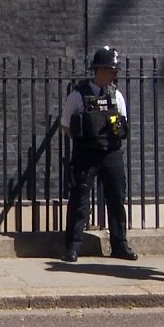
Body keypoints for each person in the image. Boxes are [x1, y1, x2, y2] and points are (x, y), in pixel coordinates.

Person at [59, 46, 137, 263]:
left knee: (116, 199)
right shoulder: (78, 95)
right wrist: (82, 141)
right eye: (111, 70)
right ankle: (73, 247)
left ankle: (120, 245)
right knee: (80, 199)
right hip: (86, 153)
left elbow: (122, 123)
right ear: (99, 70)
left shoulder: (116, 95)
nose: (114, 74)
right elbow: (66, 124)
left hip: (111, 153)